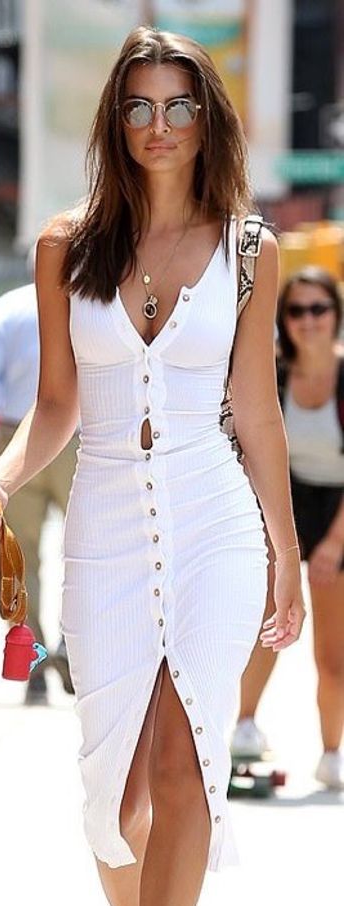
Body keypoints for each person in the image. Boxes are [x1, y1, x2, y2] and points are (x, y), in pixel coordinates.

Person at [0, 26, 304, 906]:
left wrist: (285, 552)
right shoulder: (65, 246)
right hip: (103, 523)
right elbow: (55, 404)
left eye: (180, 106)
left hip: (212, 521)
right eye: (140, 107)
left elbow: (256, 409)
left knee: (182, 757)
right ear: (115, 121)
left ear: (209, 122)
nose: (159, 126)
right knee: (112, 802)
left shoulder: (250, 249)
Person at [232, 267, 344, 788]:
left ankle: (331, 752)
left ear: (335, 316)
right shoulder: (273, 374)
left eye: (318, 309)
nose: (308, 321)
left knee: (331, 651)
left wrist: (334, 545)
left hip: (340, 511)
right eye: (296, 311)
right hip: (287, 502)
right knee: (267, 622)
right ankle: (243, 726)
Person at [0, 283, 78, 705]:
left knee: (19, 558)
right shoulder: (91, 299)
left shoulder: (9, 308)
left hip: (17, 439)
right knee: (84, 551)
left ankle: (31, 662)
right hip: (79, 437)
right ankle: (73, 646)